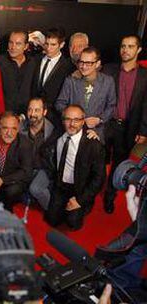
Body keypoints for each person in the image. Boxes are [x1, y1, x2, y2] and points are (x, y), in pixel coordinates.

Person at [103, 35, 147, 213]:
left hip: (128, 128)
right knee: (98, 159)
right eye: (123, 46)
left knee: (119, 163)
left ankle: (109, 195)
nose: (125, 50)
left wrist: (143, 130)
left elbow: (146, 105)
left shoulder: (145, 75)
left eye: (130, 46)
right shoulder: (108, 69)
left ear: (138, 50)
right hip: (106, 124)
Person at [44, 105, 105, 230]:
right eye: (68, 119)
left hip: (80, 190)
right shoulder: (58, 134)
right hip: (61, 186)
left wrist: (80, 201)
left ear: (83, 122)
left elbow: (99, 179)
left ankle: (83, 208)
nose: (72, 124)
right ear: (63, 121)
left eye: (76, 120)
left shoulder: (93, 145)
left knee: (73, 223)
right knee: (51, 220)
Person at [56, 47, 116, 143]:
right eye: (81, 62)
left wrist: (99, 119)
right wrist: (73, 119)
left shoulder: (108, 81)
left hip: (97, 132)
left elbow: (112, 106)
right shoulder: (71, 80)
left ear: (97, 64)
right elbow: (60, 103)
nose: (83, 66)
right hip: (73, 131)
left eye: (88, 63)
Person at [20, 98, 58, 210]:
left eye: (37, 110)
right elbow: (4, 126)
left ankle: (52, 210)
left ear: (44, 112)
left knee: (35, 189)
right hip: (26, 168)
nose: (32, 114)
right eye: (30, 110)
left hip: (44, 168)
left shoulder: (53, 131)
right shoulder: (21, 126)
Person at [32, 28, 72, 126]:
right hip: (33, 115)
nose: (48, 48)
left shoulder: (68, 67)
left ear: (61, 45)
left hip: (54, 118)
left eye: (53, 44)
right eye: (46, 44)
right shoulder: (35, 60)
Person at [0, 31, 37, 115]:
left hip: (27, 116)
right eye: (11, 43)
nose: (13, 47)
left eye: (18, 44)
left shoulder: (33, 63)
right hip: (4, 116)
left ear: (26, 46)